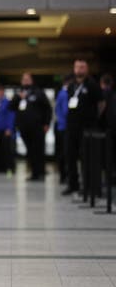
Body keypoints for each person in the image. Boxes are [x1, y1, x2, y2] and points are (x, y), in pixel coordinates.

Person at [63, 59, 105, 195]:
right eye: (77, 67)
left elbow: (101, 103)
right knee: (70, 156)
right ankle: (72, 184)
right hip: (71, 126)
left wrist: (94, 118)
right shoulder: (71, 86)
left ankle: (87, 186)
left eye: (82, 67)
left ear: (86, 69)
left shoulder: (92, 85)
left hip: (87, 127)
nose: (79, 70)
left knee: (86, 157)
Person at [9, 72, 52, 181]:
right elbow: (11, 107)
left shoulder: (38, 93)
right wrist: (18, 98)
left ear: (32, 80)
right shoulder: (19, 94)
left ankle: (41, 173)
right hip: (24, 128)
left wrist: (46, 123)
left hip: (37, 127)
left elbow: (47, 109)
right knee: (30, 151)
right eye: (23, 79)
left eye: (27, 79)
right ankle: (34, 173)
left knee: (38, 150)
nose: (25, 81)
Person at [0, 85, 15, 174]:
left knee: (7, 149)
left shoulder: (8, 103)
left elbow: (11, 116)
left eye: (0, 91)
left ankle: (9, 168)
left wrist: (9, 128)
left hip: (5, 130)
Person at [55, 74, 74, 184]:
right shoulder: (65, 94)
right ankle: (65, 175)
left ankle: (63, 175)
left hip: (60, 126)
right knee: (65, 153)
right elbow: (67, 111)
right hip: (65, 127)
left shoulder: (60, 94)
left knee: (61, 152)